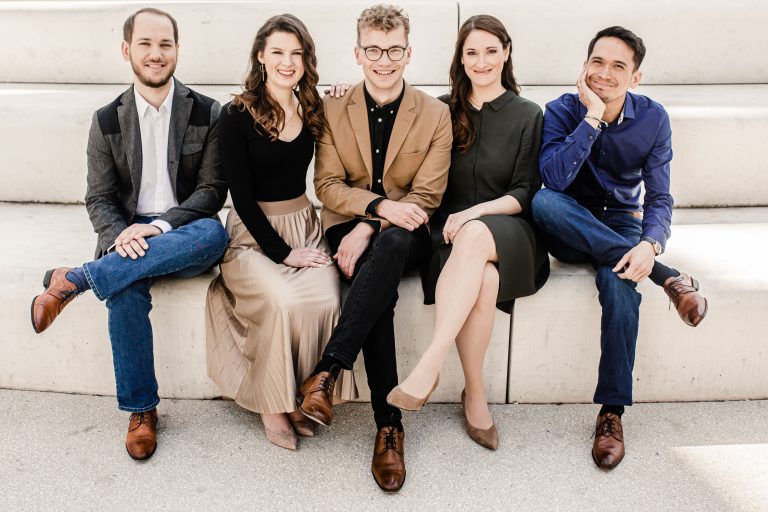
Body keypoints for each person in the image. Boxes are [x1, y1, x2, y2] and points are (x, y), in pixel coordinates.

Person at [29, 8, 228, 460]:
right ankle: (141, 410)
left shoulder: (207, 111)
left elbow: (213, 191)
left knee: (215, 234)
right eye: (146, 44)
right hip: (125, 239)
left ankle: (76, 279)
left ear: (178, 50)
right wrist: (122, 235)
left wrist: (156, 228)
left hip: (183, 231)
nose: (156, 54)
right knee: (124, 288)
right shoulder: (107, 121)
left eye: (165, 44)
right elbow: (98, 197)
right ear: (127, 50)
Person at [530, 26, 708, 470]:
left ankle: (611, 413)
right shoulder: (561, 110)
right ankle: (670, 278)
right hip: (568, 220)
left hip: (622, 226)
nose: (604, 74)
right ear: (584, 65)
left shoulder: (653, 119)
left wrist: (650, 243)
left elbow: (660, 197)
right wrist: (591, 117)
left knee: (619, 282)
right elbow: (553, 180)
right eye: (597, 62)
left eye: (617, 66)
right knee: (542, 201)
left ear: (636, 77)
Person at [295, 4, 452, 492]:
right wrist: (373, 214)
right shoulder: (333, 110)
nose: (384, 60)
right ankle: (389, 427)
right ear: (358, 53)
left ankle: (327, 368)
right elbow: (328, 185)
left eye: (394, 49)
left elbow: (426, 195)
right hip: (353, 226)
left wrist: (378, 222)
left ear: (409, 52)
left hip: (411, 231)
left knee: (383, 251)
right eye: (374, 50)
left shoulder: (435, 114)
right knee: (376, 284)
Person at [386, 15, 549, 451]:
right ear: (461, 58)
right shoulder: (441, 110)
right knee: (486, 279)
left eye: (491, 51)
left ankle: (430, 364)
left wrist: (476, 213)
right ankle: (475, 393)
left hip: (508, 229)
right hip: (449, 238)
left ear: (507, 52)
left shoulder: (529, 115)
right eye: (472, 52)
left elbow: (525, 191)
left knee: (478, 236)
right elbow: (385, 107)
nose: (482, 61)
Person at [205, 14, 356, 451]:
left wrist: (342, 95)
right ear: (261, 56)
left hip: (304, 225)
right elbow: (241, 194)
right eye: (278, 53)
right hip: (254, 235)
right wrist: (281, 253)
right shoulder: (236, 114)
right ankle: (272, 405)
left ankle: (298, 397)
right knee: (281, 299)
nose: (287, 62)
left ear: (306, 60)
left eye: (296, 54)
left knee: (327, 298)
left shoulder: (312, 108)